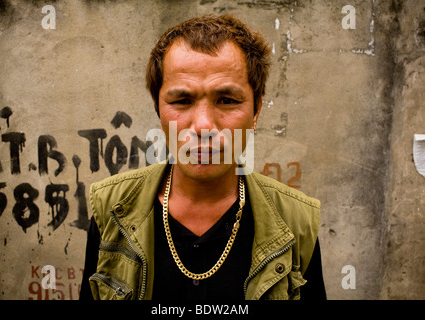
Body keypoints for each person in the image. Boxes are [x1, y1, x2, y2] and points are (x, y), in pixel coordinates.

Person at [80, 14, 326, 300]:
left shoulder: (295, 223)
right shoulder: (112, 210)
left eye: (227, 100)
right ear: (159, 110)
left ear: (256, 111)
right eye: (182, 101)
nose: (204, 126)